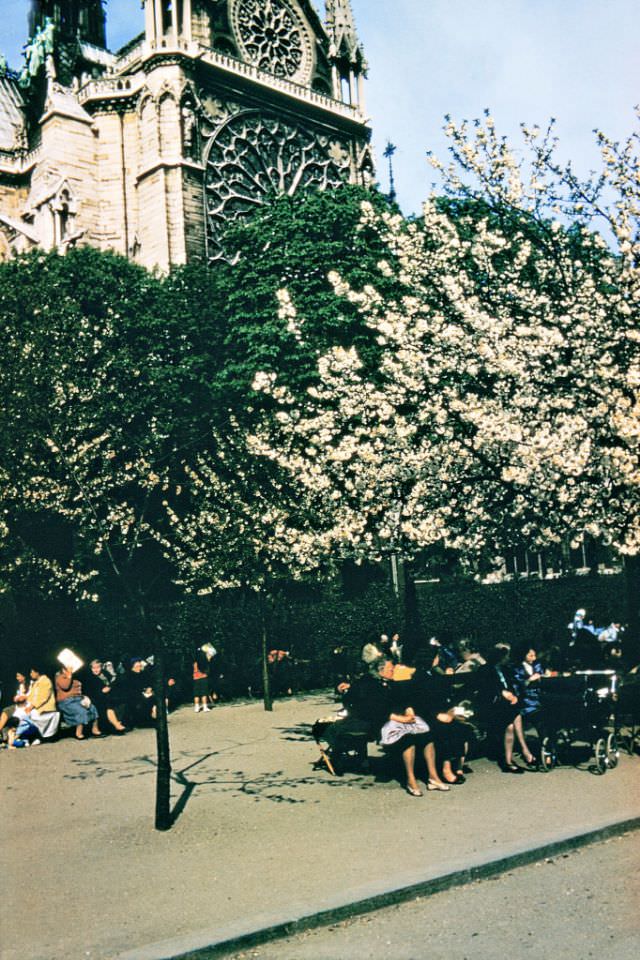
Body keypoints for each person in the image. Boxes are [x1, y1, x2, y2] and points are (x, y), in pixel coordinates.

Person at [410, 648, 469, 785]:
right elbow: (421, 703)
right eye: (436, 657)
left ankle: (457, 767)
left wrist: (450, 711)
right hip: (425, 715)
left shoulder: (433, 673)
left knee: (461, 727)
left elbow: (443, 695)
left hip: (438, 711)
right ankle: (446, 769)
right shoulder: (419, 677)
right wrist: (438, 715)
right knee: (445, 730)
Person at [476, 644, 534, 773]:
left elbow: (511, 686)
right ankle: (513, 758)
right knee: (511, 723)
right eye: (506, 655)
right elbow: (486, 690)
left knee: (515, 713)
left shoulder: (504, 669)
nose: (508, 658)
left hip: (504, 704)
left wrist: (513, 696)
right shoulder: (485, 669)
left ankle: (521, 754)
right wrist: (502, 693)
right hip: (492, 706)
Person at [8, 664, 59, 747]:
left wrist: (31, 707)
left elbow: (43, 698)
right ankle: (24, 737)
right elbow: (31, 696)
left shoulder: (45, 681)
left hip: (44, 708)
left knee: (26, 716)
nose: (31, 674)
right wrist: (24, 700)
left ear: (37, 672)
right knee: (18, 713)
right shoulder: (35, 683)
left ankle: (25, 736)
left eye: (32, 672)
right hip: (34, 706)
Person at [55, 664, 101, 740]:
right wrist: (69, 675)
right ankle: (79, 732)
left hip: (78, 699)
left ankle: (95, 729)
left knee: (92, 708)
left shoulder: (76, 677)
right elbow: (65, 686)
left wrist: (84, 697)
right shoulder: (60, 677)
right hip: (66, 701)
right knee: (80, 711)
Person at [81, 660, 127, 733]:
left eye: (98, 667)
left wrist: (109, 687)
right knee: (108, 704)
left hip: (107, 695)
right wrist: (102, 691)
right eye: (93, 668)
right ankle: (116, 725)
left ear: (101, 667)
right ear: (91, 668)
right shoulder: (89, 677)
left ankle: (118, 723)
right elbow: (89, 692)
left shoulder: (105, 674)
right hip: (95, 697)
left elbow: (113, 683)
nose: (96, 669)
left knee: (121, 700)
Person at [192, 648, 210, 713]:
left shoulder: (194, 662)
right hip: (203, 677)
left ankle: (196, 707)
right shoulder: (204, 660)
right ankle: (205, 707)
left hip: (195, 678)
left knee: (196, 694)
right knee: (204, 693)